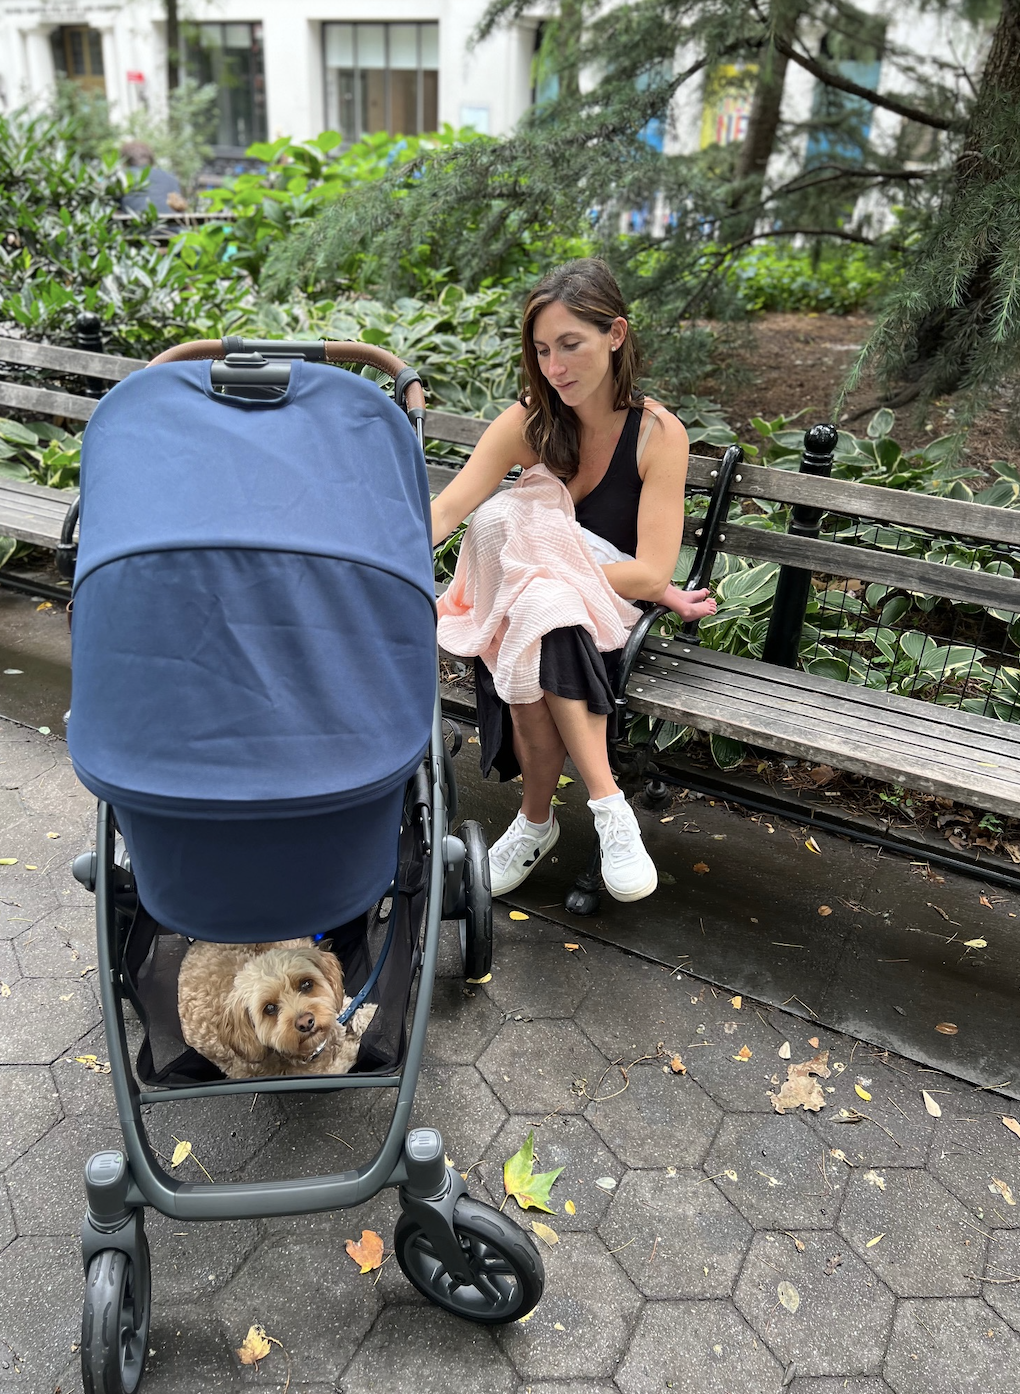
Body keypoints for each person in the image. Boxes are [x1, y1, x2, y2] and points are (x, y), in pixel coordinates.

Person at [432, 258, 716, 904]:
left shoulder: (657, 435)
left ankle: (537, 823)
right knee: (539, 596)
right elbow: (449, 512)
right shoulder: (532, 420)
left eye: (570, 345)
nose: (555, 367)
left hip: (610, 607)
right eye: (541, 350)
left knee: (539, 593)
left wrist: (552, 561)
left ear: (615, 334)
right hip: (538, 612)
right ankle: (609, 810)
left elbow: (648, 573)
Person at [118, 140, 186, 216]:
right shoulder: (171, 178)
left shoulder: (120, 178)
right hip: (173, 226)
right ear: (151, 159)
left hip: (138, 226)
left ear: (124, 160)